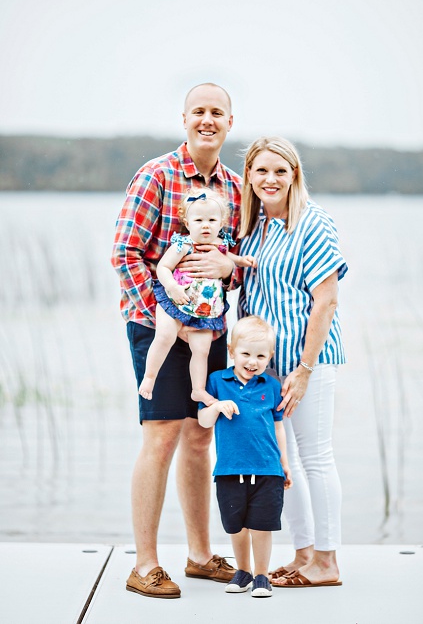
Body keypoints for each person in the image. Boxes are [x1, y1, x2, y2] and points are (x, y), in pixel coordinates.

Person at [111, 83, 240, 598]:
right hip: (158, 324)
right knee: (161, 435)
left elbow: (235, 261)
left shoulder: (235, 187)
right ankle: (144, 564)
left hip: (212, 327)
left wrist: (229, 270)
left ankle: (200, 556)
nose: (208, 120)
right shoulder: (156, 175)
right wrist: (171, 314)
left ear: (231, 121)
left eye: (218, 112)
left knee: (200, 436)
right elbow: (126, 254)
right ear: (184, 119)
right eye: (199, 112)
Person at [235, 136, 347, 587]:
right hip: (267, 363)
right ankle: (304, 555)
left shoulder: (312, 223)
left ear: (294, 174)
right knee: (289, 463)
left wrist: (302, 370)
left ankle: (327, 561)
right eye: (261, 171)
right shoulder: (258, 225)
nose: (270, 179)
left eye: (280, 170)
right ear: (249, 177)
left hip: (308, 361)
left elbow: (326, 302)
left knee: (316, 456)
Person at [199, 316, 292, 596]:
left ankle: (262, 575)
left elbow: (278, 426)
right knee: (236, 526)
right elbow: (203, 420)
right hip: (229, 468)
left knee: (262, 526)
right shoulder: (217, 381)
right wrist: (216, 407)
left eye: (261, 355)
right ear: (232, 351)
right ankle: (243, 571)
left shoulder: (272, 385)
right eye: (246, 354)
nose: (253, 361)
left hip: (267, 469)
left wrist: (284, 464)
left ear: (270, 357)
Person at [138, 187, 255, 404]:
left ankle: (198, 389)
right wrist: (172, 286)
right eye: (199, 220)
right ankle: (149, 377)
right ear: (187, 222)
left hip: (205, 309)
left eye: (212, 219)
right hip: (176, 300)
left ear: (221, 223)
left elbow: (229, 255)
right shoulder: (183, 245)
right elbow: (163, 267)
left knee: (202, 350)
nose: (205, 225)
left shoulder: (220, 244)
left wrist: (241, 261)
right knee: (165, 336)